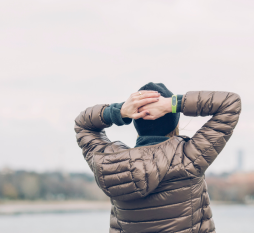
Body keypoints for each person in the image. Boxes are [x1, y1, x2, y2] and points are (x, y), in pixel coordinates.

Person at [74, 82, 241, 233]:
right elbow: (229, 103)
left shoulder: (110, 164)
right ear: (174, 122)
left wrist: (121, 111)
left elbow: (83, 125)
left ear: (136, 121)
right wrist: (172, 104)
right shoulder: (189, 158)